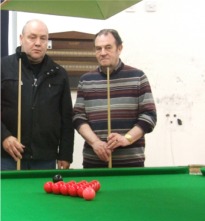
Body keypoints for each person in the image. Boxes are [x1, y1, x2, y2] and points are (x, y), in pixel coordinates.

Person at [73, 29, 157, 168]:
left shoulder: (138, 77)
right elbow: (78, 117)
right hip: (94, 161)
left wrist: (126, 139)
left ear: (119, 48)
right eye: (98, 49)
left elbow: (149, 116)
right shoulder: (86, 80)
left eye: (108, 47)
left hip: (130, 162)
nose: (103, 52)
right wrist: (95, 142)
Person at [1, 19, 74, 170]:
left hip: (45, 158)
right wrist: (4, 136)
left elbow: (66, 118)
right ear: (21, 39)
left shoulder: (59, 74)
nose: (38, 43)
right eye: (32, 37)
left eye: (43, 38)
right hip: (7, 155)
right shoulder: (3, 67)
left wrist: (66, 154)